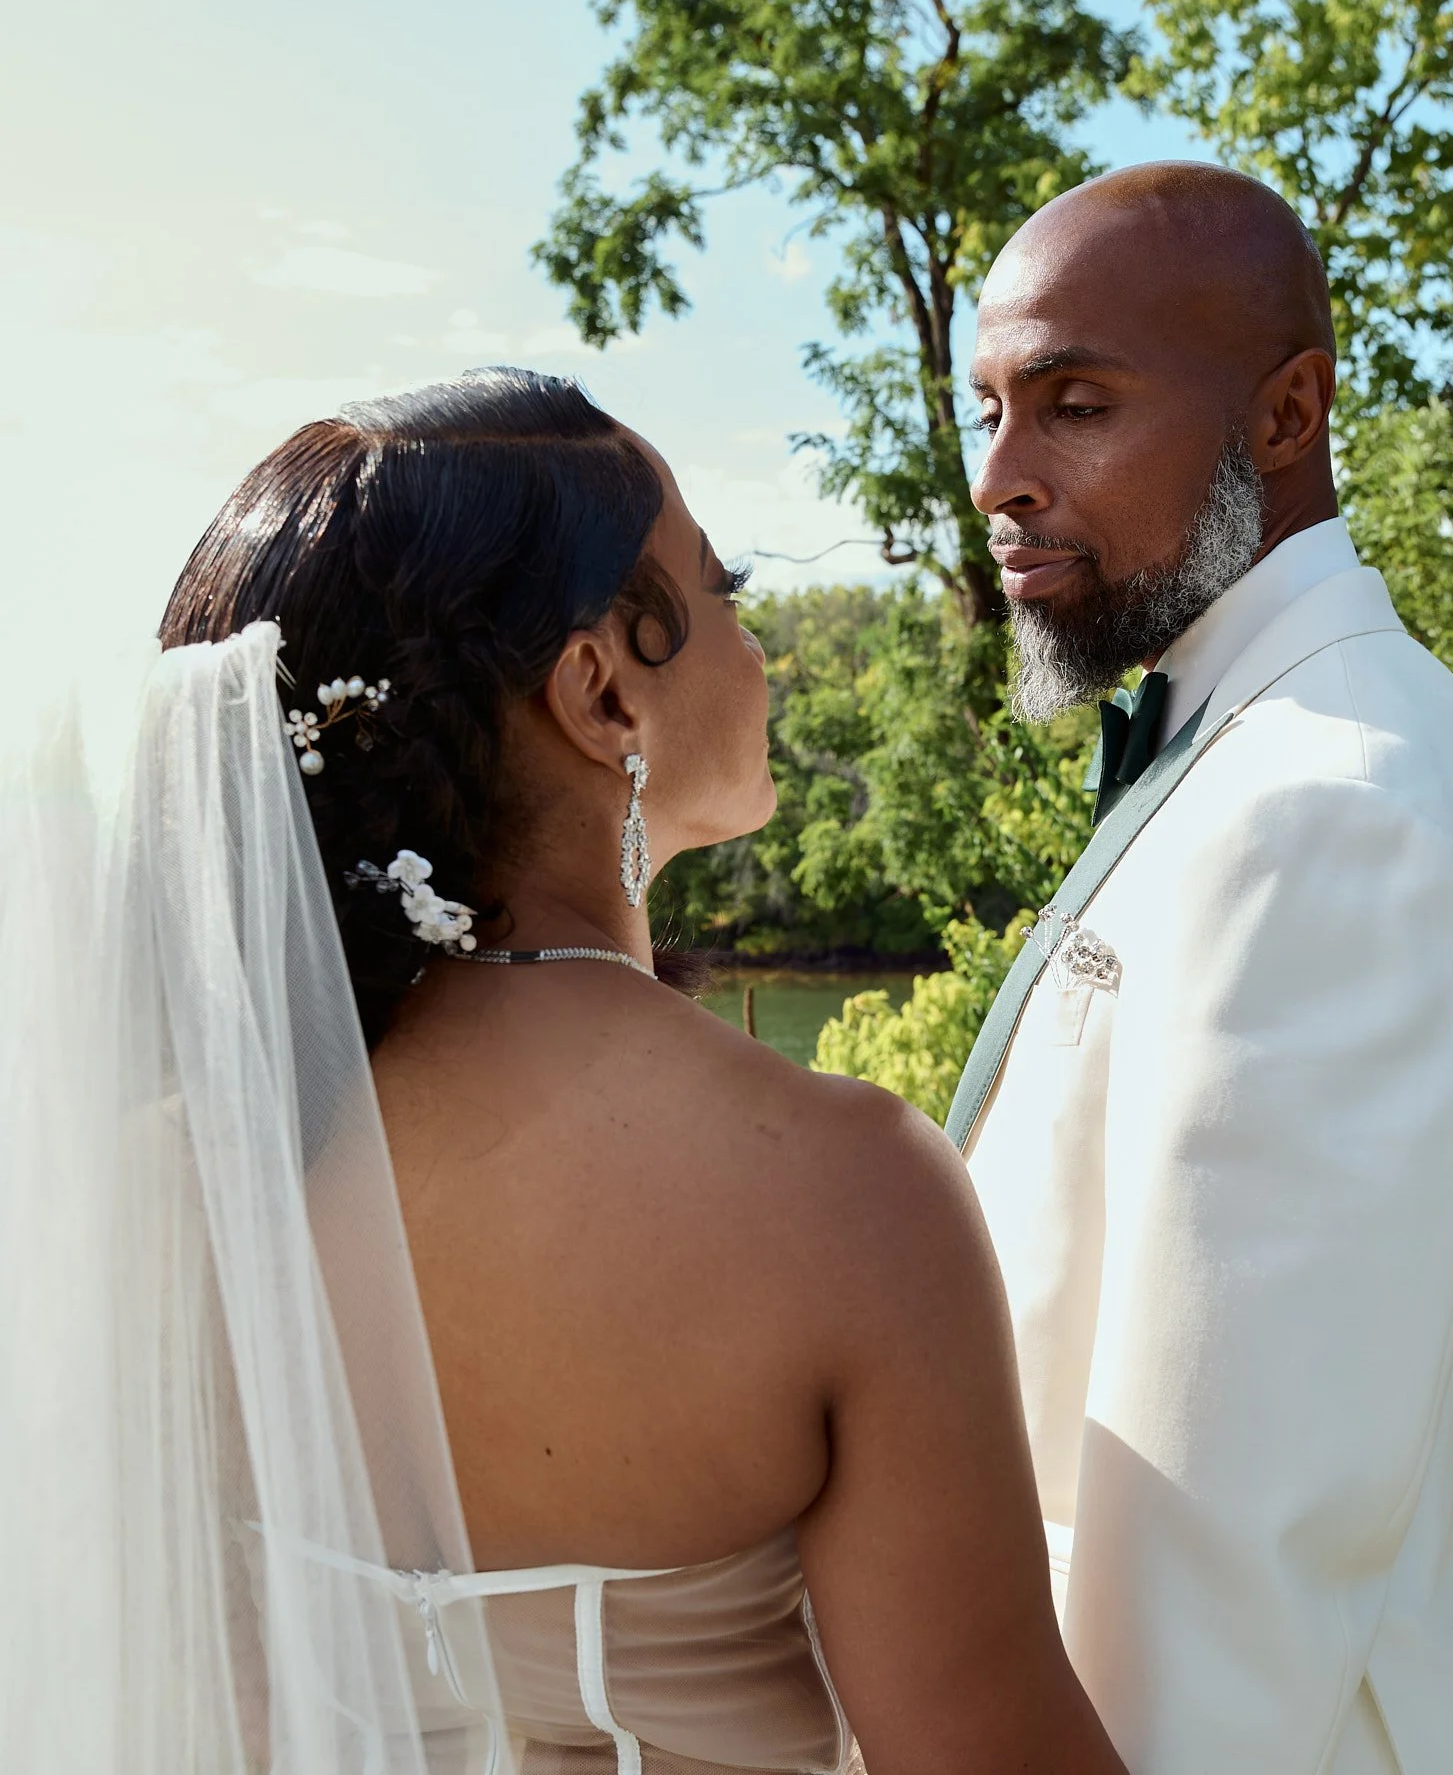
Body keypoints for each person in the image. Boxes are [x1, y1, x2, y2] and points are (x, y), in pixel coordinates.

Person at [0, 368, 1123, 1775]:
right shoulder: (839, 1192)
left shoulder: (159, 1176)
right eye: (725, 596)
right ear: (599, 690)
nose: (760, 650)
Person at [955, 161, 1453, 1775]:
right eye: (989, 411)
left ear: (1286, 414)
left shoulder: (1331, 814)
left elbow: (1224, 1577)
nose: (999, 479)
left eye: (1072, 404)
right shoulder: (1254, 747)